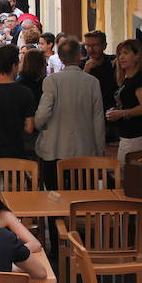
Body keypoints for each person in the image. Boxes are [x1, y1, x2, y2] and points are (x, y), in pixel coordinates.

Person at [35, 37, 105, 188]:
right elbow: (98, 119)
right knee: (82, 198)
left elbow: (42, 114)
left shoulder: (51, 81)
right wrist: (99, 152)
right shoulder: (92, 82)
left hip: (54, 148)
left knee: (55, 196)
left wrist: (39, 126)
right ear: (80, 56)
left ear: (60, 58)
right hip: (84, 149)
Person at [105, 39, 142, 162]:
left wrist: (121, 113)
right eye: (120, 54)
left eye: (126, 53)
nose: (121, 57)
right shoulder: (127, 78)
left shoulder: (139, 79)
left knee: (128, 173)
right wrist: (116, 111)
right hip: (127, 134)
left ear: (137, 56)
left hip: (136, 134)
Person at [79, 31, 118, 141]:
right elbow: (76, 91)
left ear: (104, 46)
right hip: (89, 116)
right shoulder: (81, 65)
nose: (90, 49)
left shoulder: (113, 62)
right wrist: (85, 71)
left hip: (111, 114)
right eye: (88, 45)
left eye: (94, 45)